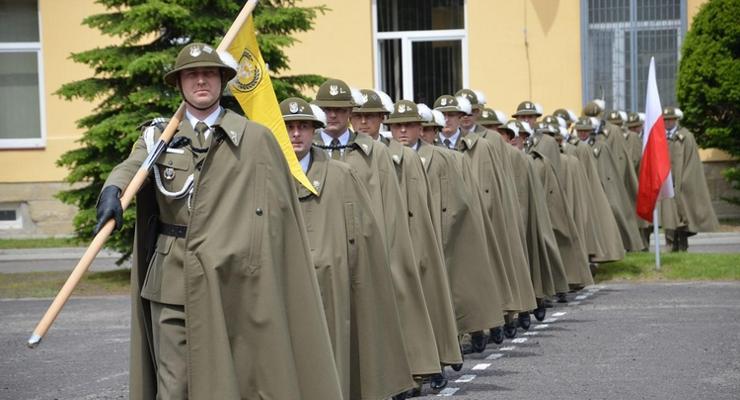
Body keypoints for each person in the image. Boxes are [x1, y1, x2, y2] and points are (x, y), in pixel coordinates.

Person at [94, 42, 342, 399]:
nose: (200, 81)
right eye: (191, 75)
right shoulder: (159, 137)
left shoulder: (254, 139)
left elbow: (278, 213)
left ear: (223, 81)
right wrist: (112, 191)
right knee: (174, 383)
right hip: (174, 277)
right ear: (179, 83)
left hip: (234, 278)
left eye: (209, 74)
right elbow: (131, 169)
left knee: (236, 379)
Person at [311, 79, 442, 389]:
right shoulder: (309, 152)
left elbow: (391, 209)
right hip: (321, 250)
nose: (333, 116)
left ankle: (385, 379)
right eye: (327, 110)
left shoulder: (373, 153)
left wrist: (389, 252)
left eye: (340, 110)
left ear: (349, 112)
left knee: (374, 318)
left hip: (365, 247)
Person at [281, 97, 414, 399]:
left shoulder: (340, 175)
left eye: (303, 127)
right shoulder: (267, 173)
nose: (296, 134)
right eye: (289, 127)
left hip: (332, 281)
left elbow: (363, 234)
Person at [384, 100, 464, 390]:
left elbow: (440, 205)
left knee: (432, 305)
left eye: (409, 125)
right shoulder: (386, 156)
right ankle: (410, 371)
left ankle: (436, 362)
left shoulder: (431, 158)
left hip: (424, 241)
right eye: (396, 126)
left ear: (422, 128)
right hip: (395, 242)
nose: (402, 131)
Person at [659, 106, 720, 251]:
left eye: (670, 120)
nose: (668, 123)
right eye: (665, 120)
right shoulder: (659, 137)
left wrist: (684, 181)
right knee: (668, 214)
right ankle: (670, 244)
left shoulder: (686, 136)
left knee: (683, 214)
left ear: (676, 120)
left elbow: (692, 162)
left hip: (681, 183)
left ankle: (682, 245)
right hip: (666, 184)